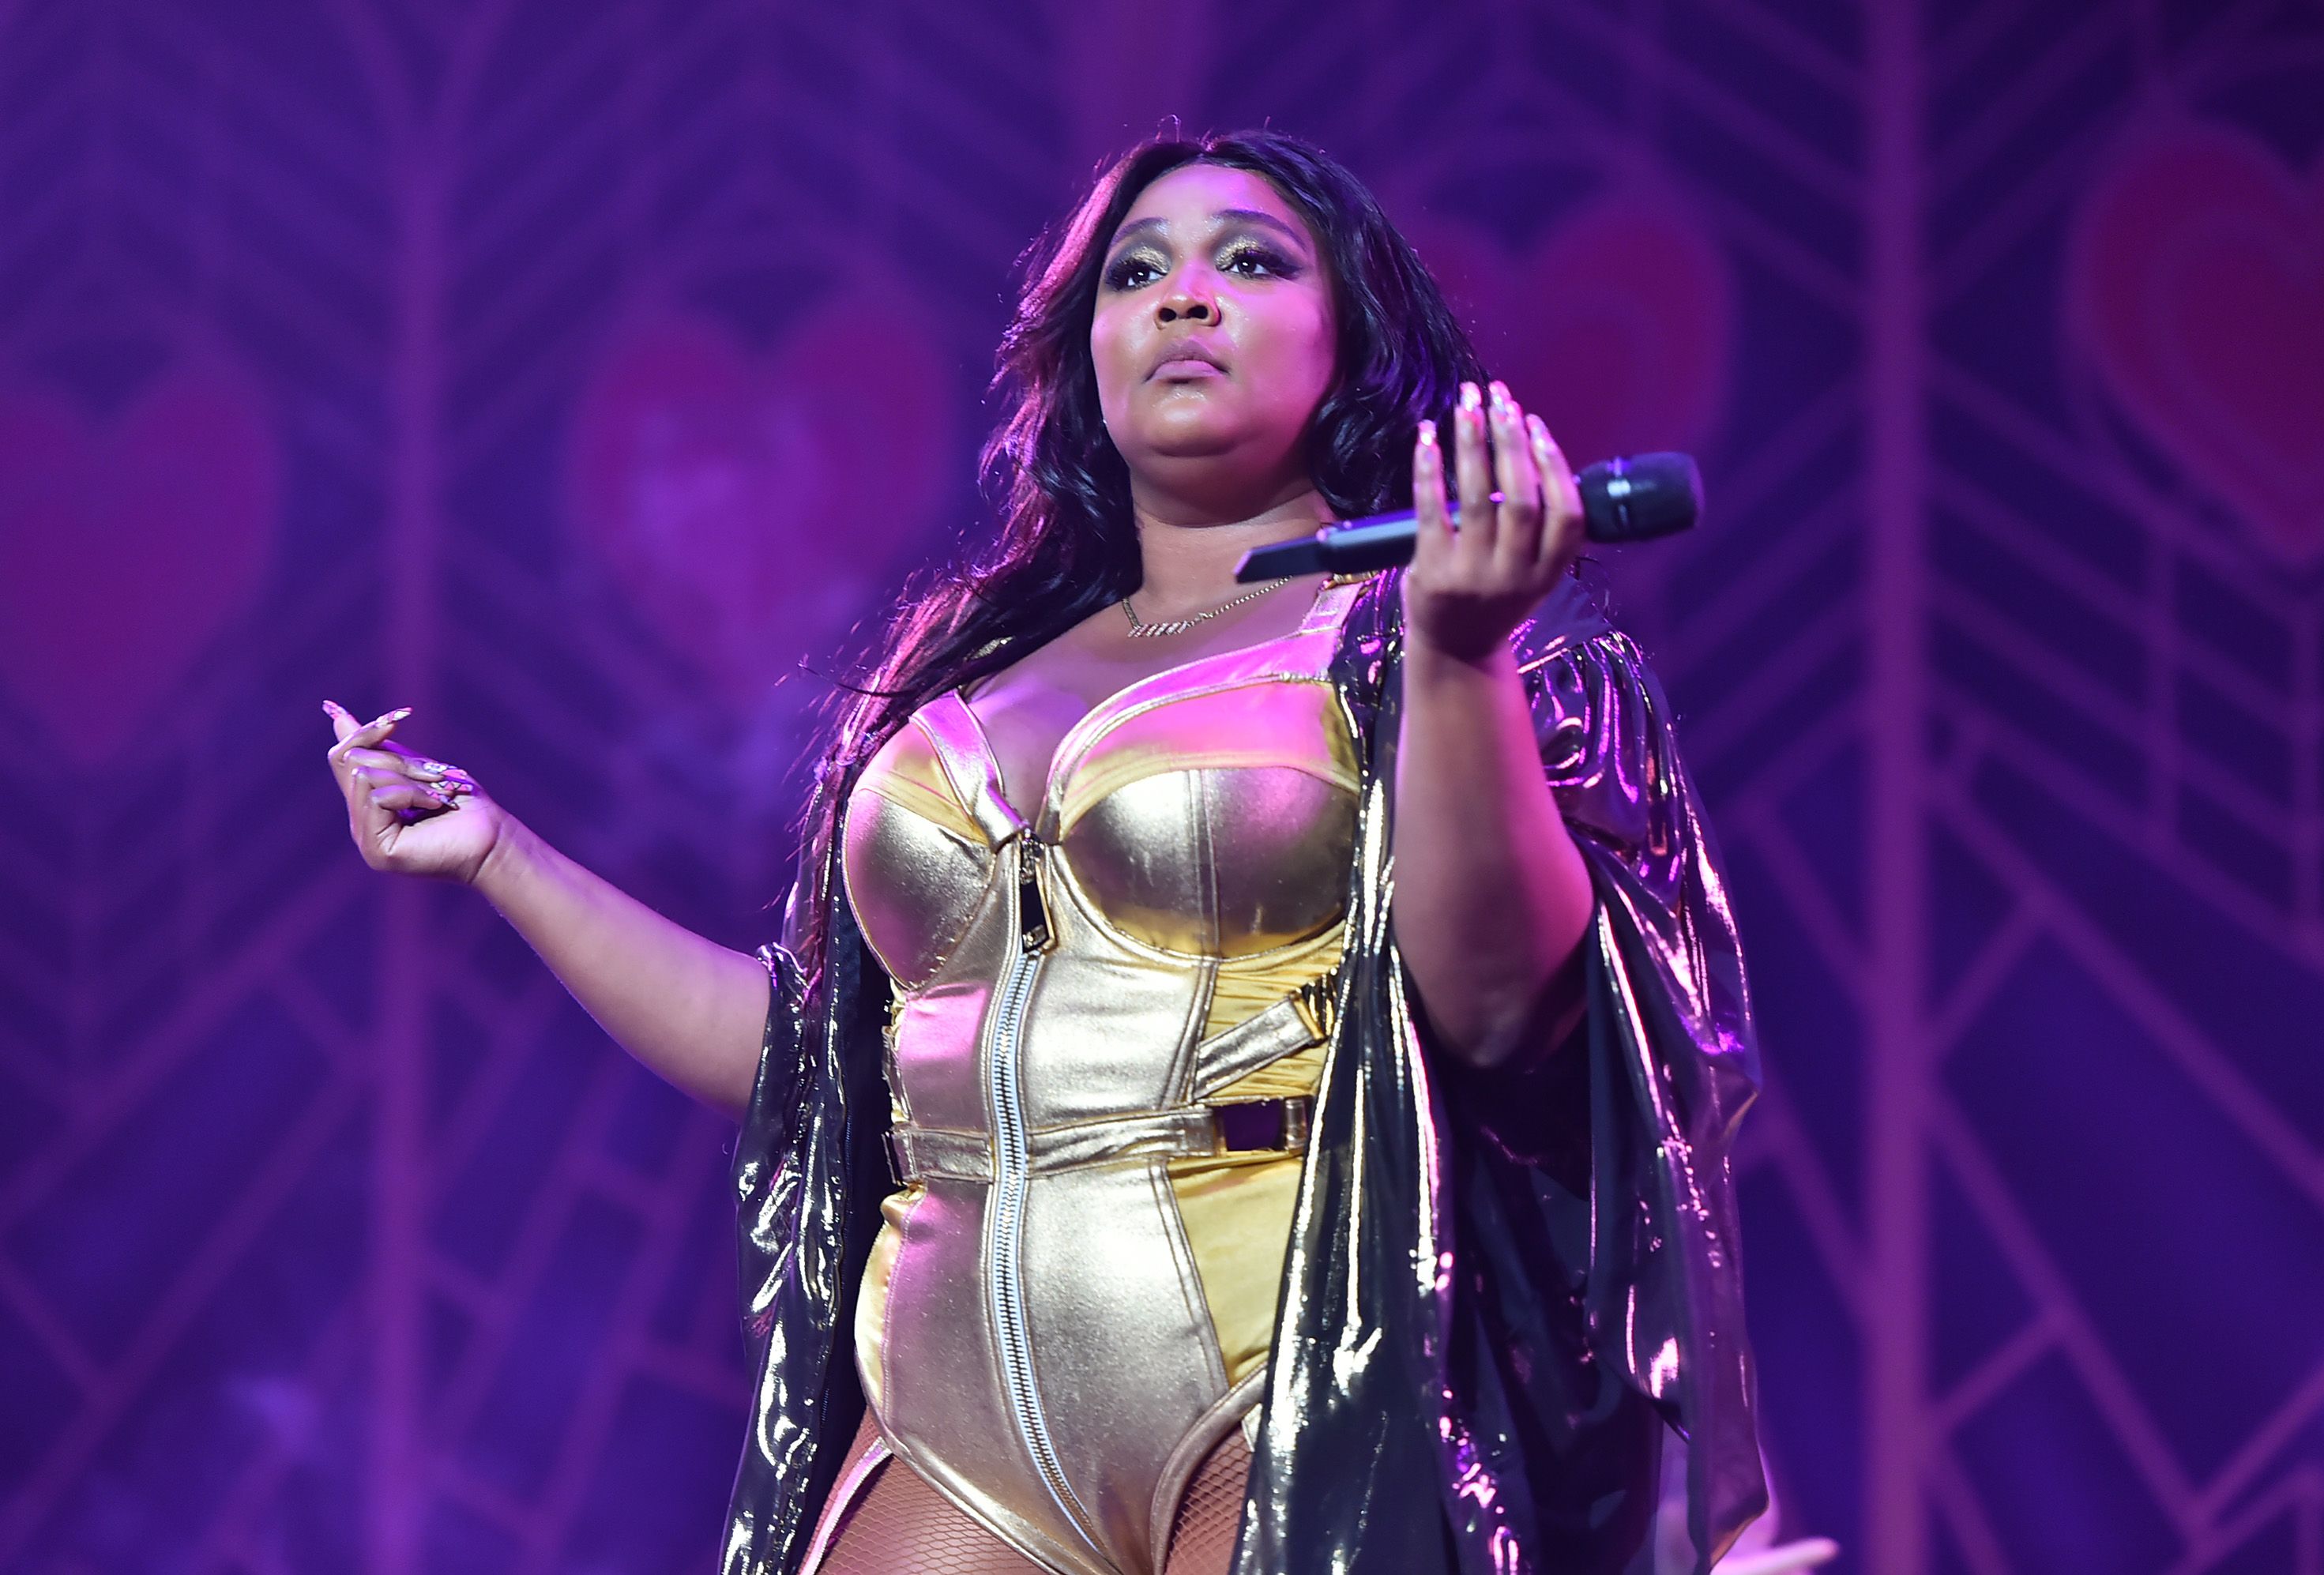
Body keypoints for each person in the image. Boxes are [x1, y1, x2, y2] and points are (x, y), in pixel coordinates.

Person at [325, 129, 1766, 1575]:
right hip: (948, 1418)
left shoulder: (1421, 635)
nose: (1183, 297)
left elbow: (1508, 1009)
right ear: (1084, 352)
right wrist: (501, 855)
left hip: (1289, 1379)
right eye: (1137, 273)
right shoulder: (970, 665)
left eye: (1250, 260)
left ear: (1355, 333)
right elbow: (822, 1062)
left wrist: (1461, 657)